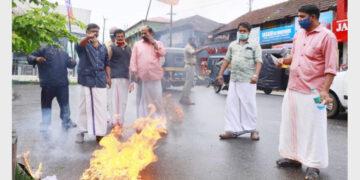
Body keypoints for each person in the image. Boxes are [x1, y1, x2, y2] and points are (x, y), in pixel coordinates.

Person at [275, 4, 338, 180]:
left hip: (314, 91)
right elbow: (294, 57)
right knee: (291, 125)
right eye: (299, 16)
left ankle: (313, 165)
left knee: (314, 128)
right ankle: (294, 157)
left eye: (302, 17)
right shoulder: (298, 35)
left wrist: (325, 91)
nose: (299, 20)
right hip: (293, 87)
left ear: (313, 17)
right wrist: (283, 61)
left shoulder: (328, 37)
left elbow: (331, 67)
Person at [217, 22, 262, 141]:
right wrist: (221, 73)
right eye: (240, 31)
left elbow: (259, 61)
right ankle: (231, 130)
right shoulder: (233, 45)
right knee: (231, 105)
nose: (241, 33)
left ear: (249, 32)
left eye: (244, 31)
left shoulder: (255, 45)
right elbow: (227, 59)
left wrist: (255, 75)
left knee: (248, 104)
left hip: (248, 80)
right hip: (234, 79)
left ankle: (253, 130)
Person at [27, 41, 77, 134]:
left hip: (62, 84)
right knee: (46, 106)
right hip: (47, 84)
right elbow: (29, 57)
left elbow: (70, 64)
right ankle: (45, 125)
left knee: (65, 105)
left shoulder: (63, 51)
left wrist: (73, 62)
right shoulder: (42, 48)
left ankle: (66, 122)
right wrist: (36, 58)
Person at [75, 23, 111, 143]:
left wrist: (108, 77)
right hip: (87, 80)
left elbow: (106, 63)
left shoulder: (103, 46)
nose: (95, 33)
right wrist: (88, 38)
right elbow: (79, 46)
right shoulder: (83, 44)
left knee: (100, 107)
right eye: (92, 31)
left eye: (97, 31)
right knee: (84, 107)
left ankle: (99, 133)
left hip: (100, 80)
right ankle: (81, 132)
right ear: (87, 31)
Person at [129, 25, 166, 121]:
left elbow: (162, 53)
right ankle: (142, 121)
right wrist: (134, 73)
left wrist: (153, 43)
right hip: (142, 77)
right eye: (142, 33)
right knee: (142, 100)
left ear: (151, 33)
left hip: (155, 76)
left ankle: (158, 123)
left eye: (145, 33)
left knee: (157, 100)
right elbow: (133, 60)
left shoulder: (158, 43)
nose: (143, 35)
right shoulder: (137, 45)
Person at [108, 29, 132, 128]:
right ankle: (114, 122)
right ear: (115, 37)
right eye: (118, 37)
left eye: (122, 36)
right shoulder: (111, 47)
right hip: (115, 78)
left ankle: (120, 122)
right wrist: (108, 77)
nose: (120, 38)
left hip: (125, 78)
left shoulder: (128, 48)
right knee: (114, 101)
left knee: (123, 102)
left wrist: (132, 80)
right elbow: (107, 63)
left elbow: (131, 63)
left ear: (124, 37)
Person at [179, 37, 209, 105]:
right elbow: (193, 53)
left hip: (191, 66)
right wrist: (203, 48)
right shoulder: (188, 47)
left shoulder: (191, 47)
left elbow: (195, 53)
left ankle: (182, 98)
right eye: (193, 40)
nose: (194, 41)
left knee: (187, 83)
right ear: (189, 40)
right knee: (189, 83)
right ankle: (186, 99)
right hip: (190, 66)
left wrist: (196, 47)